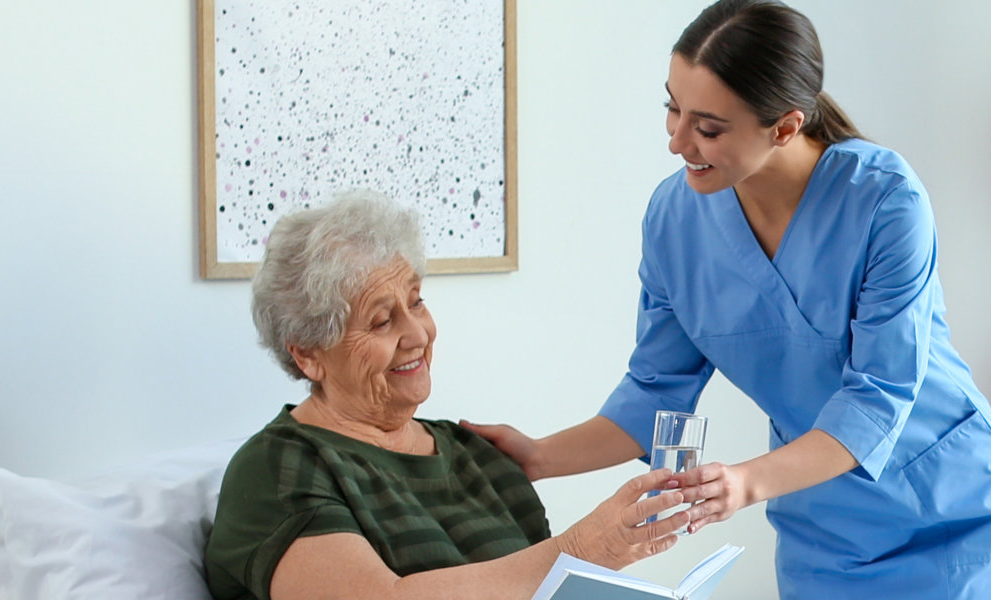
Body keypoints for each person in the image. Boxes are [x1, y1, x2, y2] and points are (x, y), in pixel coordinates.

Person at [462, 1, 991, 597]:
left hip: (946, 515)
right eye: (672, 107)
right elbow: (654, 393)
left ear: (785, 126)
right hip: (818, 526)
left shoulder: (885, 201)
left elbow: (876, 400)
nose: (676, 141)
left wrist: (743, 484)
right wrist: (539, 457)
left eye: (708, 127)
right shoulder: (675, 219)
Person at [203, 190, 690, 600]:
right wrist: (580, 552)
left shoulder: (478, 458)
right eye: (381, 320)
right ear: (309, 354)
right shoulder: (279, 468)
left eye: (416, 302)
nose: (417, 334)